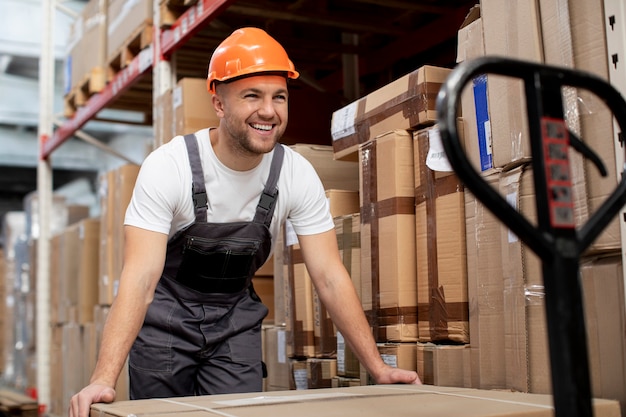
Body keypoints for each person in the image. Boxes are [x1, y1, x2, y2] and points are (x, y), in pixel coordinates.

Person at [68, 26, 421, 417]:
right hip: (164, 327)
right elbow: (140, 279)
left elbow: (330, 277)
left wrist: (377, 367)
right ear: (218, 102)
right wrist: (103, 378)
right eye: (251, 95)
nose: (268, 111)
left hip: (234, 325)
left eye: (279, 97)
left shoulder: (295, 174)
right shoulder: (170, 168)